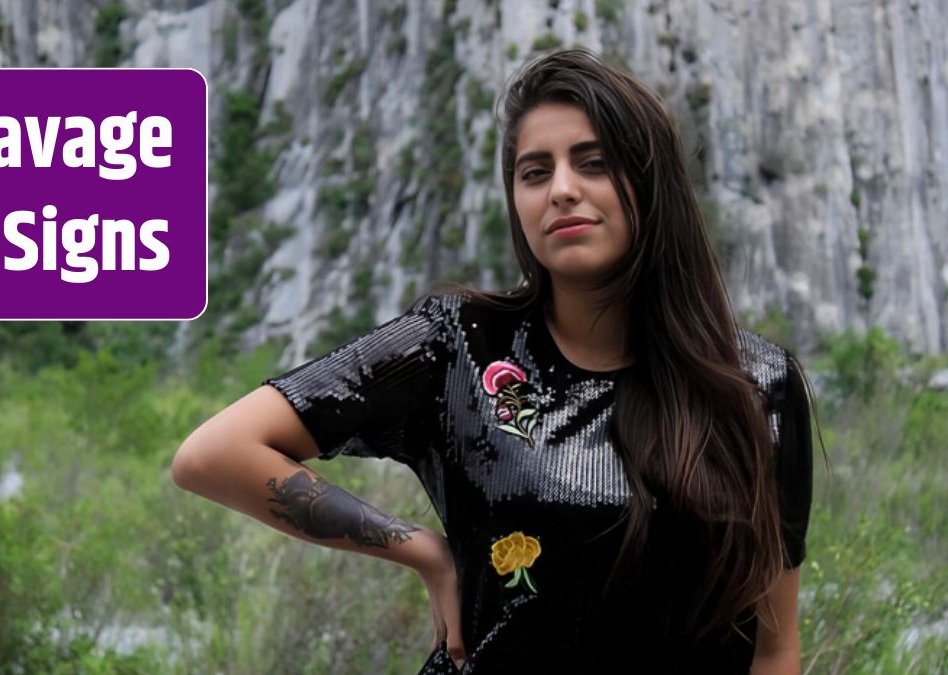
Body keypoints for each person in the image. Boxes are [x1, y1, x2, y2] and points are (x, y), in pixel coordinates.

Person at [172, 48, 815, 674]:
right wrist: (425, 552)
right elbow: (213, 453)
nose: (562, 190)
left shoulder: (757, 382)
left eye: (592, 163)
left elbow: (773, 650)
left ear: (651, 183)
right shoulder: (457, 344)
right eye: (535, 172)